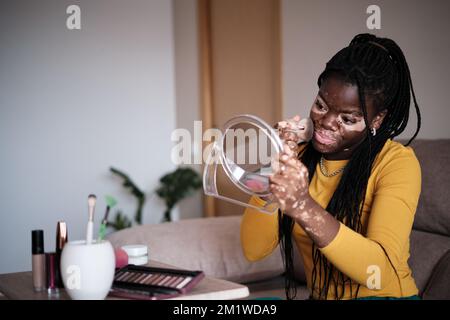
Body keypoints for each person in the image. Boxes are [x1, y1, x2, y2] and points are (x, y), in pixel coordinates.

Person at [240, 33, 422, 300]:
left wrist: (304, 206)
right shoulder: (300, 158)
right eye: (320, 105)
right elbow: (253, 249)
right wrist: (278, 162)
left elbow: (378, 272)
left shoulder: (397, 162)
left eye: (347, 118)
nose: (326, 122)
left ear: (377, 120)